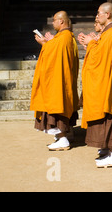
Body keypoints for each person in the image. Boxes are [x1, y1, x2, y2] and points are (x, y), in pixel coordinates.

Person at [78, 2, 112, 168]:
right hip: (104, 85)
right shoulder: (108, 34)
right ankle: (108, 151)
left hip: (108, 87)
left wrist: (92, 43)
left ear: (107, 14)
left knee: (109, 120)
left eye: (99, 13)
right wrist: (91, 43)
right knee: (104, 120)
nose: (96, 16)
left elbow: (101, 61)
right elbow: (101, 55)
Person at [30, 11, 79, 151]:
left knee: (57, 106)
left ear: (61, 21)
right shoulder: (65, 37)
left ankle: (63, 138)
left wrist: (44, 44)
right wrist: (49, 43)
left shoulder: (64, 38)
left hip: (58, 82)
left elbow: (53, 54)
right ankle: (65, 135)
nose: (52, 23)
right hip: (63, 80)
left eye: (54, 20)